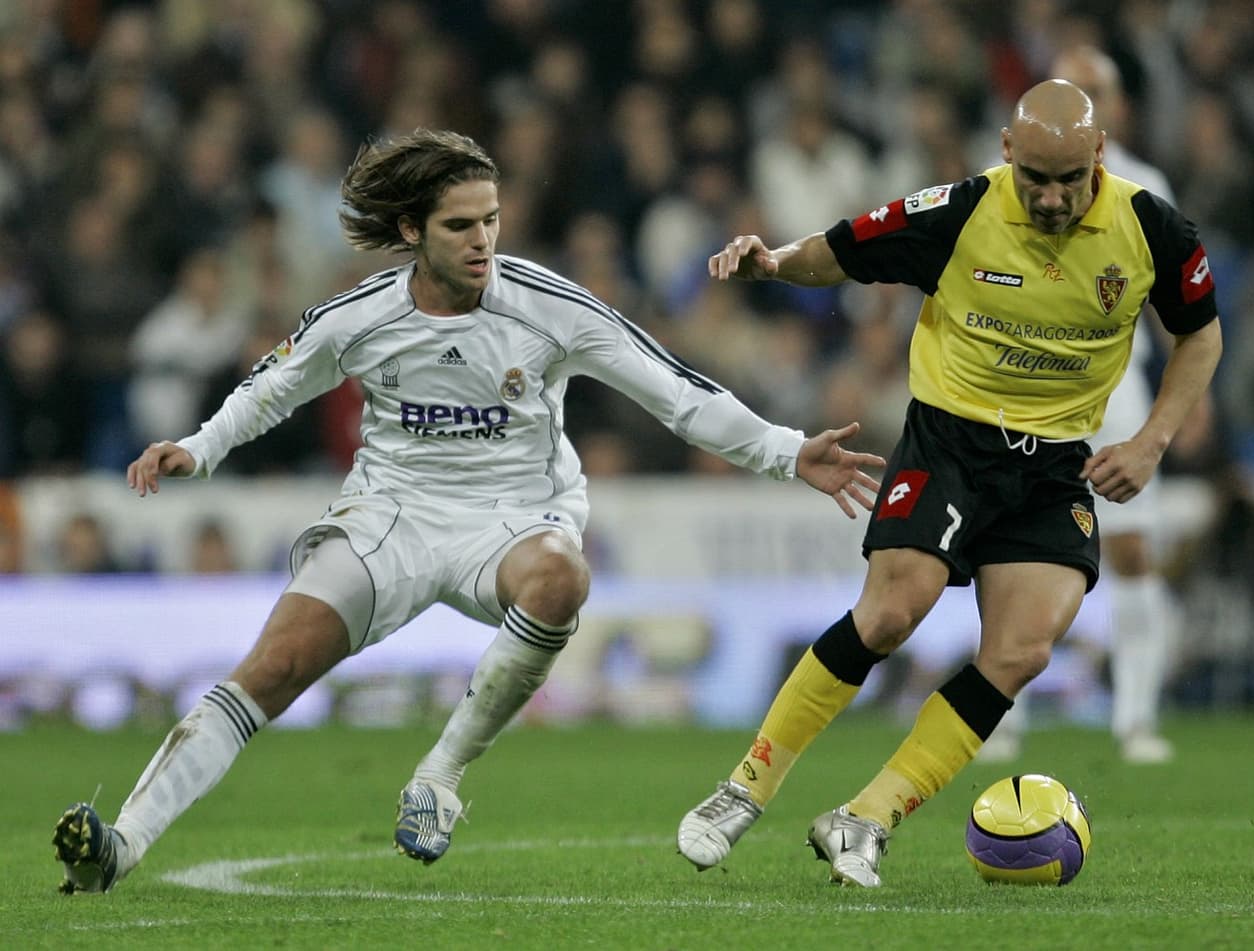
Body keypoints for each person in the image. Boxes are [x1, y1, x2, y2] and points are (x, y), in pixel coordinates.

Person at [51, 128, 886, 895]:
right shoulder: (362, 316)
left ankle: (440, 776)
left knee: (562, 579)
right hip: (393, 514)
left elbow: (675, 391)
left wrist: (784, 450)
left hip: (514, 515)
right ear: (412, 231)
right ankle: (119, 845)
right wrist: (198, 446)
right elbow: (273, 385)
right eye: (460, 226)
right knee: (269, 669)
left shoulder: (547, 305)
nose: (483, 240)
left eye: (490, 220)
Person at [676, 80, 1221, 887]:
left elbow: (1200, 334)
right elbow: (844, 248)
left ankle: (865, 818)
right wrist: (775, 264)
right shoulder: (959, 210)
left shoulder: (1152, 228)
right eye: (1035, 175)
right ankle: (743, 788)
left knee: (1022, 648)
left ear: (1099, 156)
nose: (1051, 195)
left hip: (1055, 462)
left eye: (1070, 178)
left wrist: (1150, 441)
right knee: (893, 611)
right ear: (1007, 151)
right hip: (950, 439)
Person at [980, 45, 1198, 764]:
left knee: (1134, 549)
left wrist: (1187, 397)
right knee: (1009, 546)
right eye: (1072, 88)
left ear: (1116, 107)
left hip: (1118, 386)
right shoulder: (1013, 180)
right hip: (1028, 383)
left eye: (1096, 89)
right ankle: (998, 714)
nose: (1085, 101)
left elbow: (1181, 309)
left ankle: (1134, 719)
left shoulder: (1147, 184)